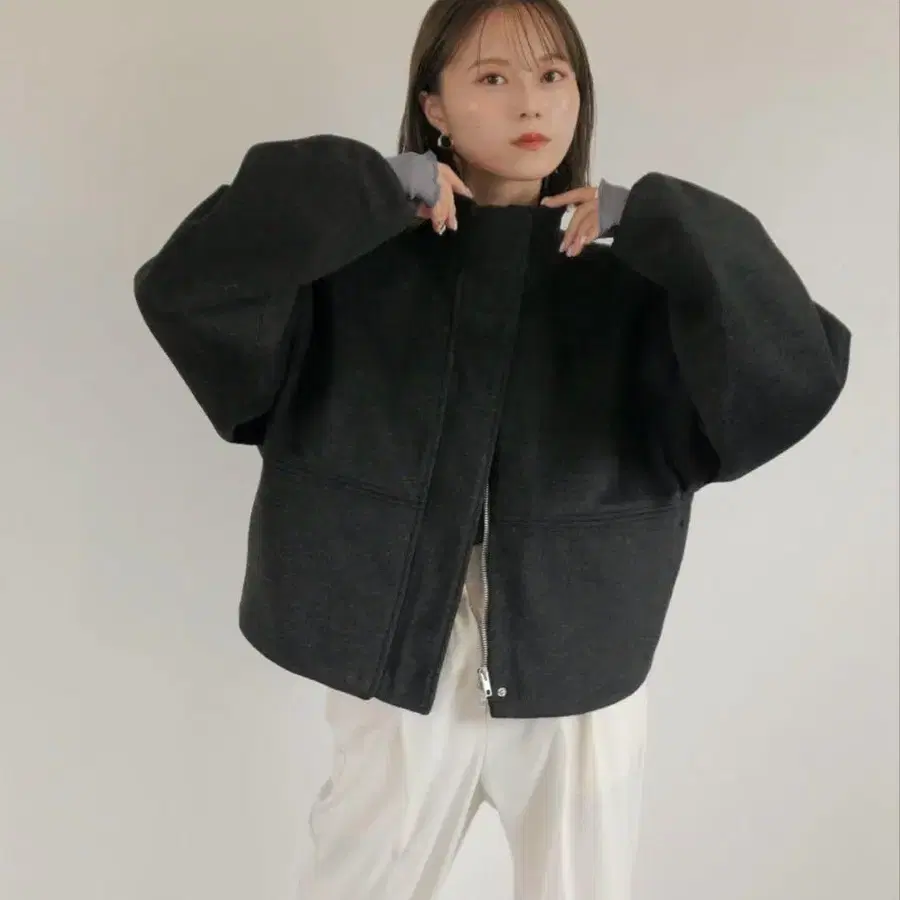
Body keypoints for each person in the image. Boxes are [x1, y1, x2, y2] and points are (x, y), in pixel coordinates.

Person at [133, 0, 852, 897]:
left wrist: (657, 222)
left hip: (580, 647)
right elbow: (189, 287)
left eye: (553, 76)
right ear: (434, 105)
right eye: (493, 77)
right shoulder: (355, 261)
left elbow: (794, 371)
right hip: (399, 645)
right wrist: (378, 187)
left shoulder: (638, 277)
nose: (531, 103)